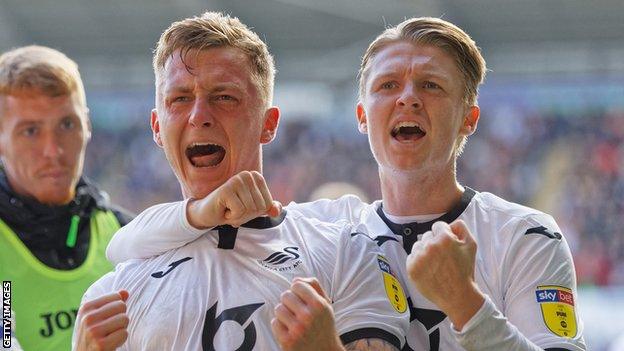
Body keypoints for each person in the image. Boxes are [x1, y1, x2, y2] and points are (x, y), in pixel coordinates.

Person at [105, 17, 587, 351]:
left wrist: (466, 304)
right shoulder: (335, 229)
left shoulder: (523, 235)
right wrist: (197, 213)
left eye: (432, 87)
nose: (408, 101)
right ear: (362, 116)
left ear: (470, 118)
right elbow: (126, 244)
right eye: (387, 86)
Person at [73, 12, 408, 351]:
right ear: (157, 127)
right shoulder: (113, 296)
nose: (199, 116)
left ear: (269, 123)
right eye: (181, 99)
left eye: (224, 97)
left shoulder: (344, 251)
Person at [0, 46, 133, 351]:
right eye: (30, 130)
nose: (53, 150)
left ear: (87, 125)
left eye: (66, 124)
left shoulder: (128, 238)